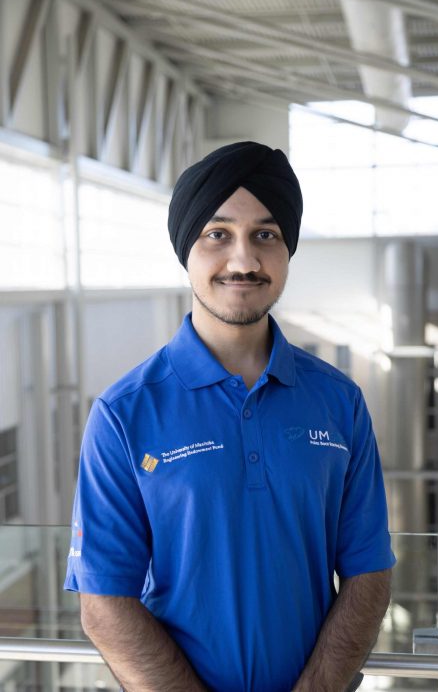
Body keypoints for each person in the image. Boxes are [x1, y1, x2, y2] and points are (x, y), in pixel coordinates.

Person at [65, 141, 395, 692]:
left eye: (265, 235)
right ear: (186, 251)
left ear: (288, 250)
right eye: (217, 235)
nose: (243, 260)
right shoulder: (124, 414)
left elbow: (369, 572)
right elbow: (104, 603)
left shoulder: (340, 402)